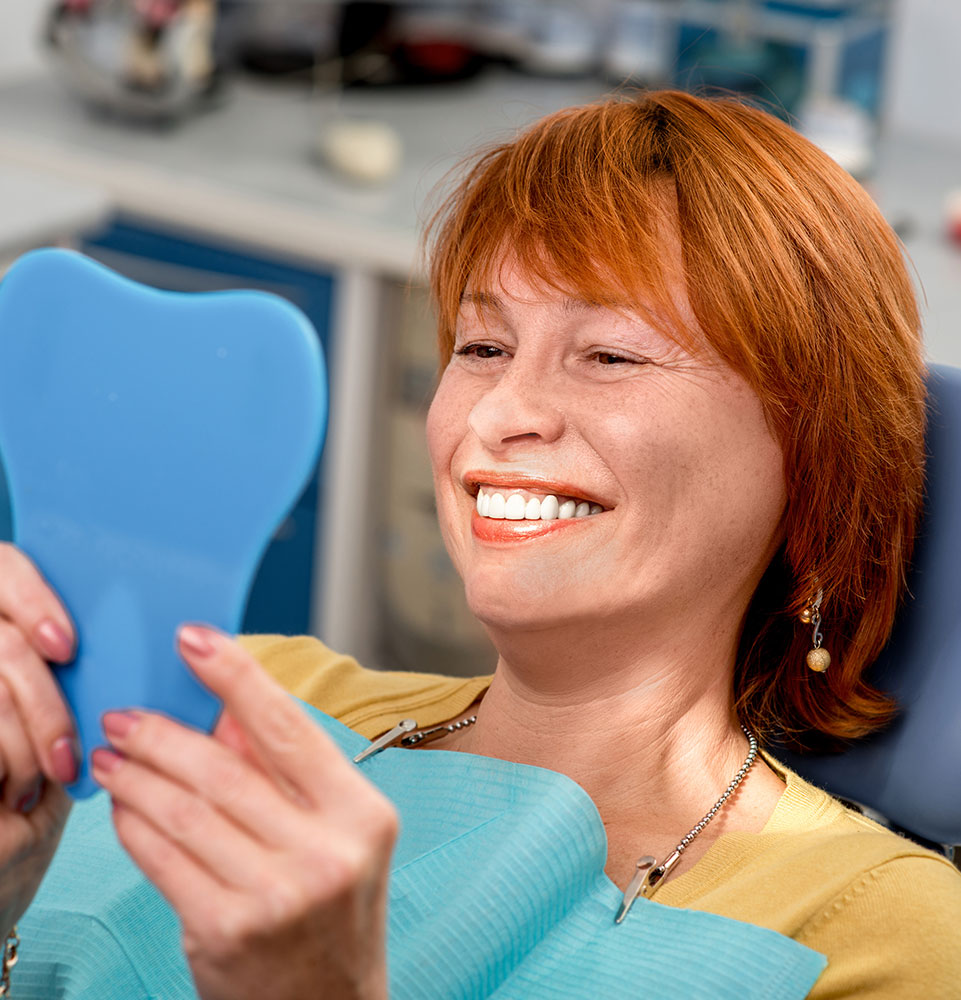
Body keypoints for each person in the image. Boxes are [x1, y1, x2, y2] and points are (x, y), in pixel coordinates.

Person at [0, 89, 959, 999]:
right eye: (483, 348)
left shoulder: (879, 934)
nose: (499, 414)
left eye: (610, 356)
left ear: (812, 459)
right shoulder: (234, 697)